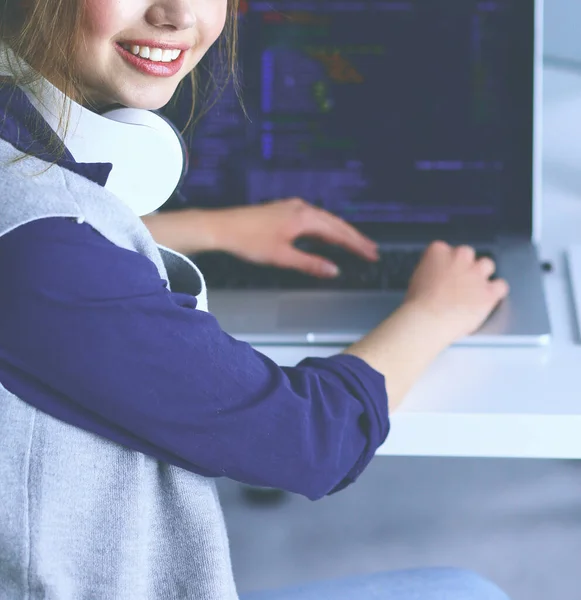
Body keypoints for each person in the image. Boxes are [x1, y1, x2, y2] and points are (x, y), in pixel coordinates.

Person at [0, 1, 511, 599]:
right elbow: (313, 440)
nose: (176, 14)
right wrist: (434, 311)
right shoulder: (45, 255)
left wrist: (211, 230)